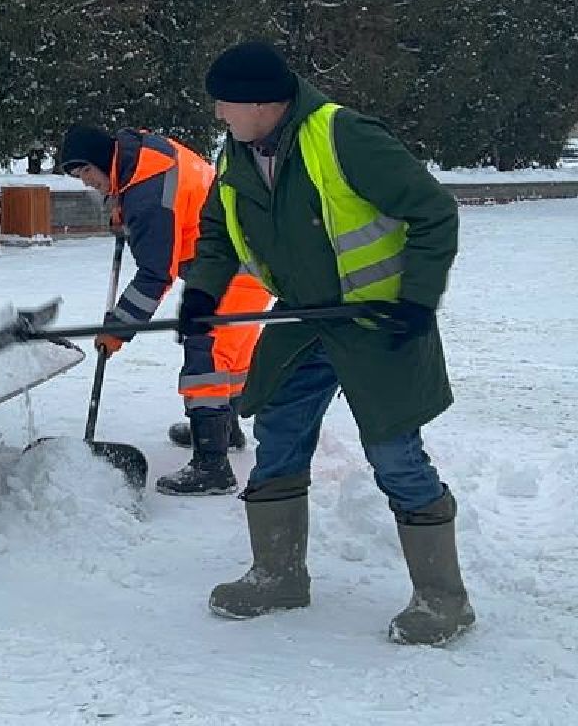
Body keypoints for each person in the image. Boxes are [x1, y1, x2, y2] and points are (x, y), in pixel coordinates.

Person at [178, 40, 473, 646]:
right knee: (279, 431)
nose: (218, 114)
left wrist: (416, 300)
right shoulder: (236, 154)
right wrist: (203, 294)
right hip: (303, 319)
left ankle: (443, 599)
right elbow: (216, 233)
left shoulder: (344, 137)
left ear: (262, 103)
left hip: (377, 318)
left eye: (224, 103)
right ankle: (278, 574)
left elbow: (434, 212)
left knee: (394, 453)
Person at [58, 124, 273, 494]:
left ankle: (213, 466)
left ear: (103, 159)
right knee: (231, 353)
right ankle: (224, 429)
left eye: (87, 171)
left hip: (231, 267)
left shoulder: (146, 194)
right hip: (247, 253)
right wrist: (122, 204)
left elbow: (156, 275)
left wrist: (118, 328)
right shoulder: (143, 155)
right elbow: (171, 199)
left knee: (206, 354)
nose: (86, 182)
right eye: (78, 176)